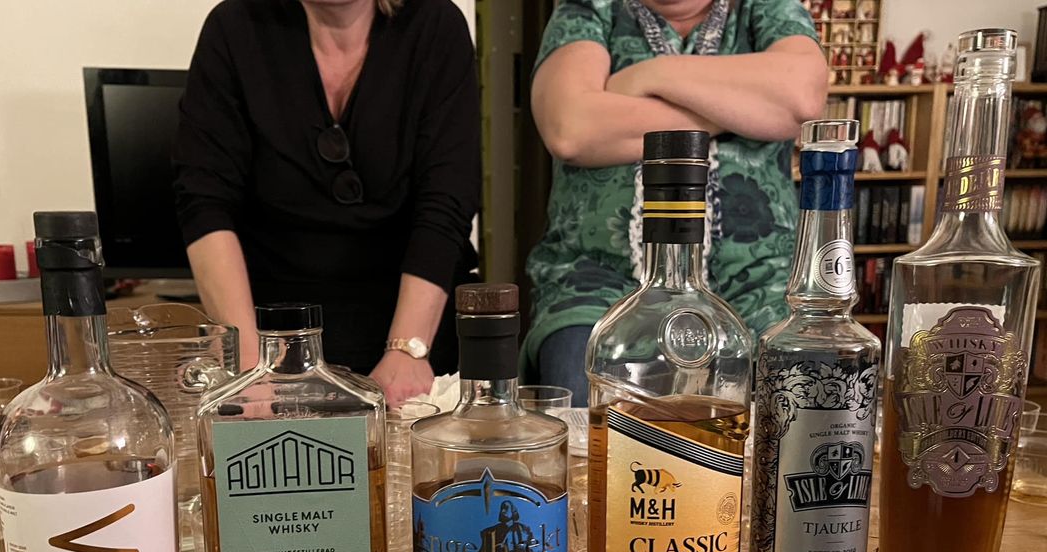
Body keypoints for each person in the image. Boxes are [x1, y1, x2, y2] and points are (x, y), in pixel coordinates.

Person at [173, 0, 479, 406]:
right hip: (268, 333)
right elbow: (204, 200)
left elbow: (446, 202)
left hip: (413, 327)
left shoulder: (436, 25)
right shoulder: (233, 26)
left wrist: (408, 350)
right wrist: (249, 364)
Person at [525, 0, 828, 405]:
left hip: (761, 281)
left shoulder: (765, 6)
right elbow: (571, 129)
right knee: (580, 392)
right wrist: (739, 113)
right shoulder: (590, 7)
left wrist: (646, 75)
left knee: (811, 399)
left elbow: (801, 97)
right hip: (598, 282)